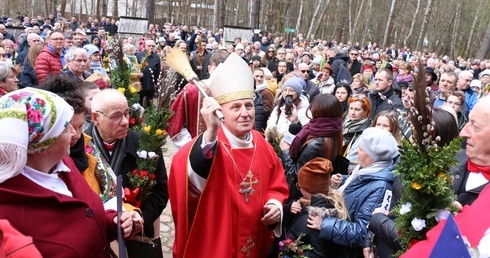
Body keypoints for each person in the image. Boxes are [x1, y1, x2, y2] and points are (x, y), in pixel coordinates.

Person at [168, 53, 289, 257]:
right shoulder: (209, 145)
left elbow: (277, 184)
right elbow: (190, 182)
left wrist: (274, 204)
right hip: (217, 244)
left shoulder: (261, 143)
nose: (245, 113)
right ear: (220, 112)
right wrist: (210, 133)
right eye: (236, 107)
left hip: (254, 240)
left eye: (249, 105)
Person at [0, 88, 136, 257]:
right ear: (43, 142)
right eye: (65, 128)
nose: (74, 133)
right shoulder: (7, 208)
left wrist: (112, 221)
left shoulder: (64, 164)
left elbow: (85, 215)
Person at [85, 89, 168, 237]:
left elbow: (160, 191)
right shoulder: (81, 148)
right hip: (96, 234)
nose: (125, 122)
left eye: (126, 113)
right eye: (116, 116)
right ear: (95, 118)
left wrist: (141, 217)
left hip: (136, 236)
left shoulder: (146, 146)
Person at [310, 127, 399, 256]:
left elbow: (362, 232)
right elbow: (362, 185)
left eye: (361, 149)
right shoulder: (368, 169)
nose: (357, 151)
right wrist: (343, 181)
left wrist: (325, 224)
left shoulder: (381, 188)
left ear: (372, 158)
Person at [279, 94, 343, 227]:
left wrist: (285, 151)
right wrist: (296, 122)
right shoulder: (333, 129)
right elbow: (310, 135)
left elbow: (298, 175)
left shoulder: (317, 145)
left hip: (301, 196)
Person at [286, 157, 349, 258]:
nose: (298, 188)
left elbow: (319, 254)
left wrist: (291, 253)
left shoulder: (316, 218)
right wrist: (290, 207)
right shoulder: (313, 203)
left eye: (299, 186)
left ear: (308, 189)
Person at [167, 50, 229, 149]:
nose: (219, 74)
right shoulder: (192, 91)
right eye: (216, 69)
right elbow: (175, 123)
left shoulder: (234, 93)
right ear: (209, 69)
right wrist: (193, 146)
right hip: (197, 150)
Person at [136, 40, 161, 107]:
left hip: (151, 82)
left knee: (149, 101)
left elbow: (158, 70)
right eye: (149, 46)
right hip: (141, 81)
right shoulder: (139, 54)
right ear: (145, 46)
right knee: (139, 100)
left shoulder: (156, 57)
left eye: (153, 46)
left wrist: (156, 82)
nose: (151, 47)